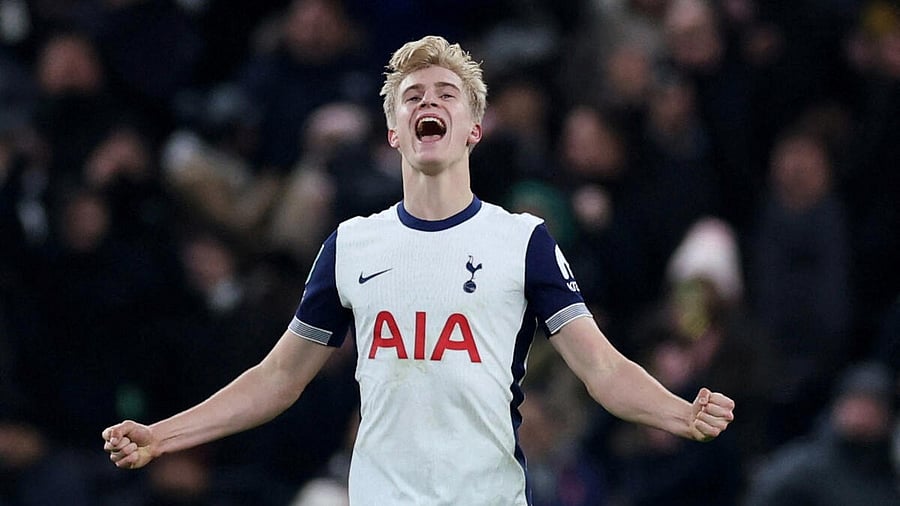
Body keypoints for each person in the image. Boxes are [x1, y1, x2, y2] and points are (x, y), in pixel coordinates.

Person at [102, 35, 735, 505]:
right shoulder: (352, 246)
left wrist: (680, 414)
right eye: (413, 97)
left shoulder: (523, 241)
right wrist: (162, 435)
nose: (428, 101)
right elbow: (276, 380)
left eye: (446, 93)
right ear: (395, 133)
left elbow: (602, 368)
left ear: (473, 129)